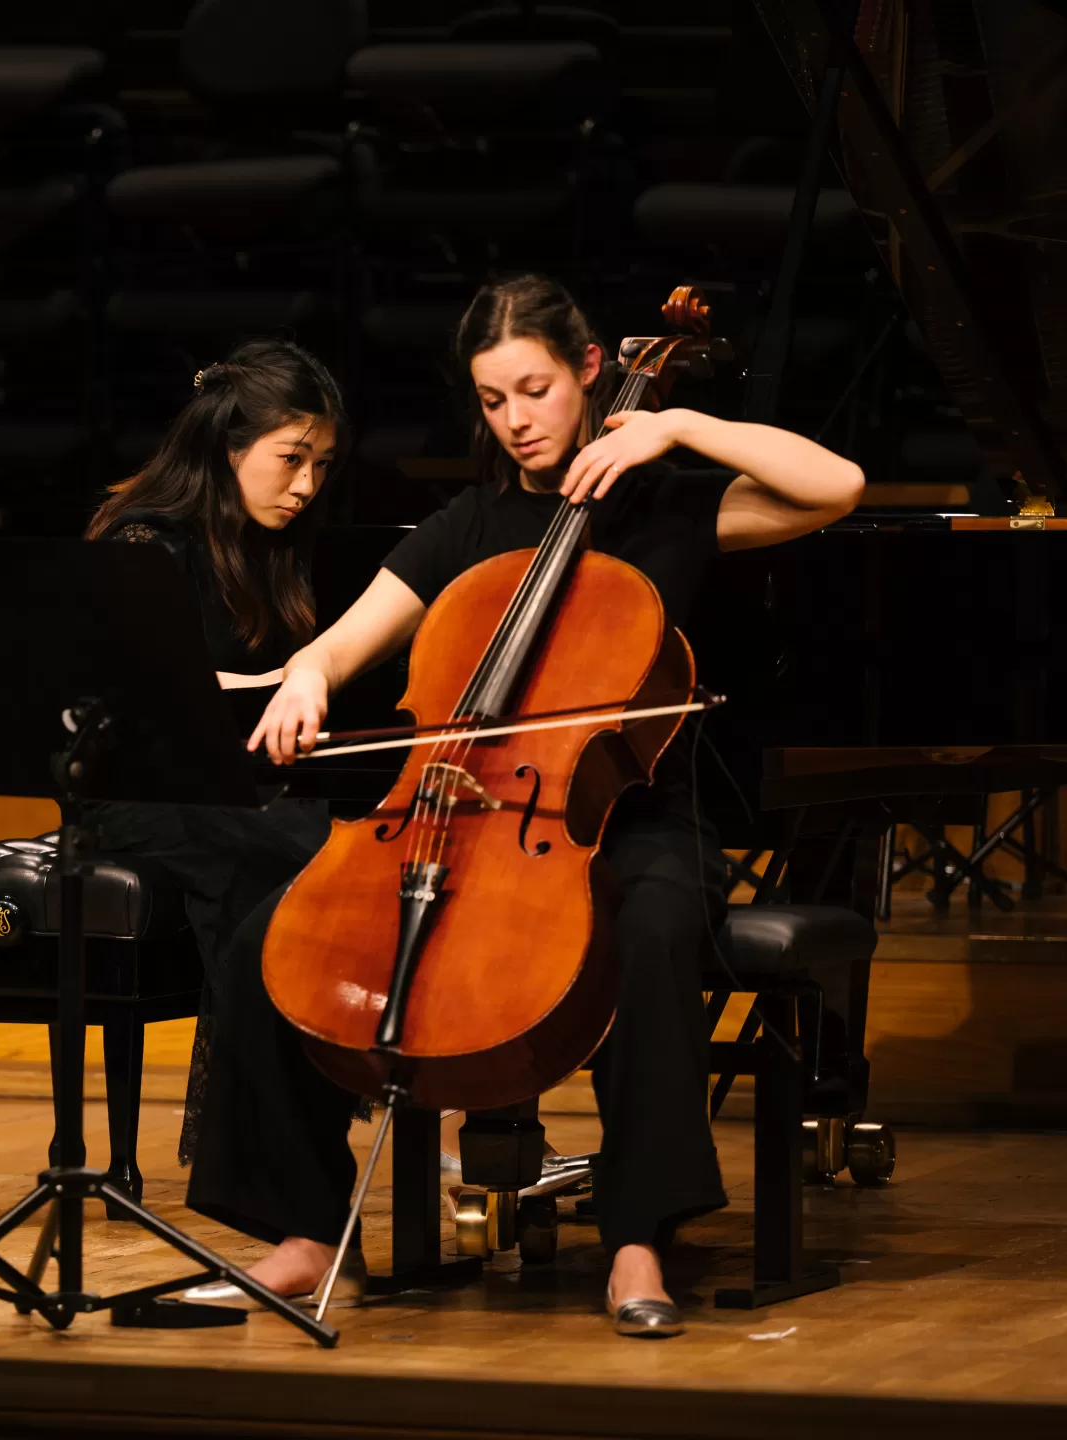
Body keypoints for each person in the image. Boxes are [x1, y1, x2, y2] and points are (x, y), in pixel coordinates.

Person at [191, 274, 865, 1335]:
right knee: (268, 941)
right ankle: (307, 1233)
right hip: (463, 815)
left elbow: (838, 487)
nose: (516, 420)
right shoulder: (468, 525)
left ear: (590, 369)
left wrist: (678, 425)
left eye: (535, 391)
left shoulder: (666, 504)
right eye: (493, 400)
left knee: (650, 933)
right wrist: (310, 677)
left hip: (634, 820)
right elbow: (344, 640)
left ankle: (637, 1239)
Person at [86, 339, 344, 1163]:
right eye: (291, 459)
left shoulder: (279, 544)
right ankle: (251, 1128)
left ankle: (305, 1104)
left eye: (322, 465)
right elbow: (143, 701)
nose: (307, 486)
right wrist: (273, 685)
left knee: (336, 845)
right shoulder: (145, 541)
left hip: (237, 784)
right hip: (145, 792)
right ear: (226, 447)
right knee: (290, 853)